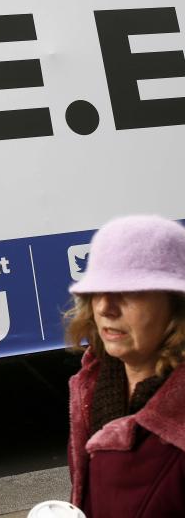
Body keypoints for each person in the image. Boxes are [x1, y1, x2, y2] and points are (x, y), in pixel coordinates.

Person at [64, 215, 185, 518]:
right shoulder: (93, 385)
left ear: (176, 305)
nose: (105, 308)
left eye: (129, 292)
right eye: (96, 292)